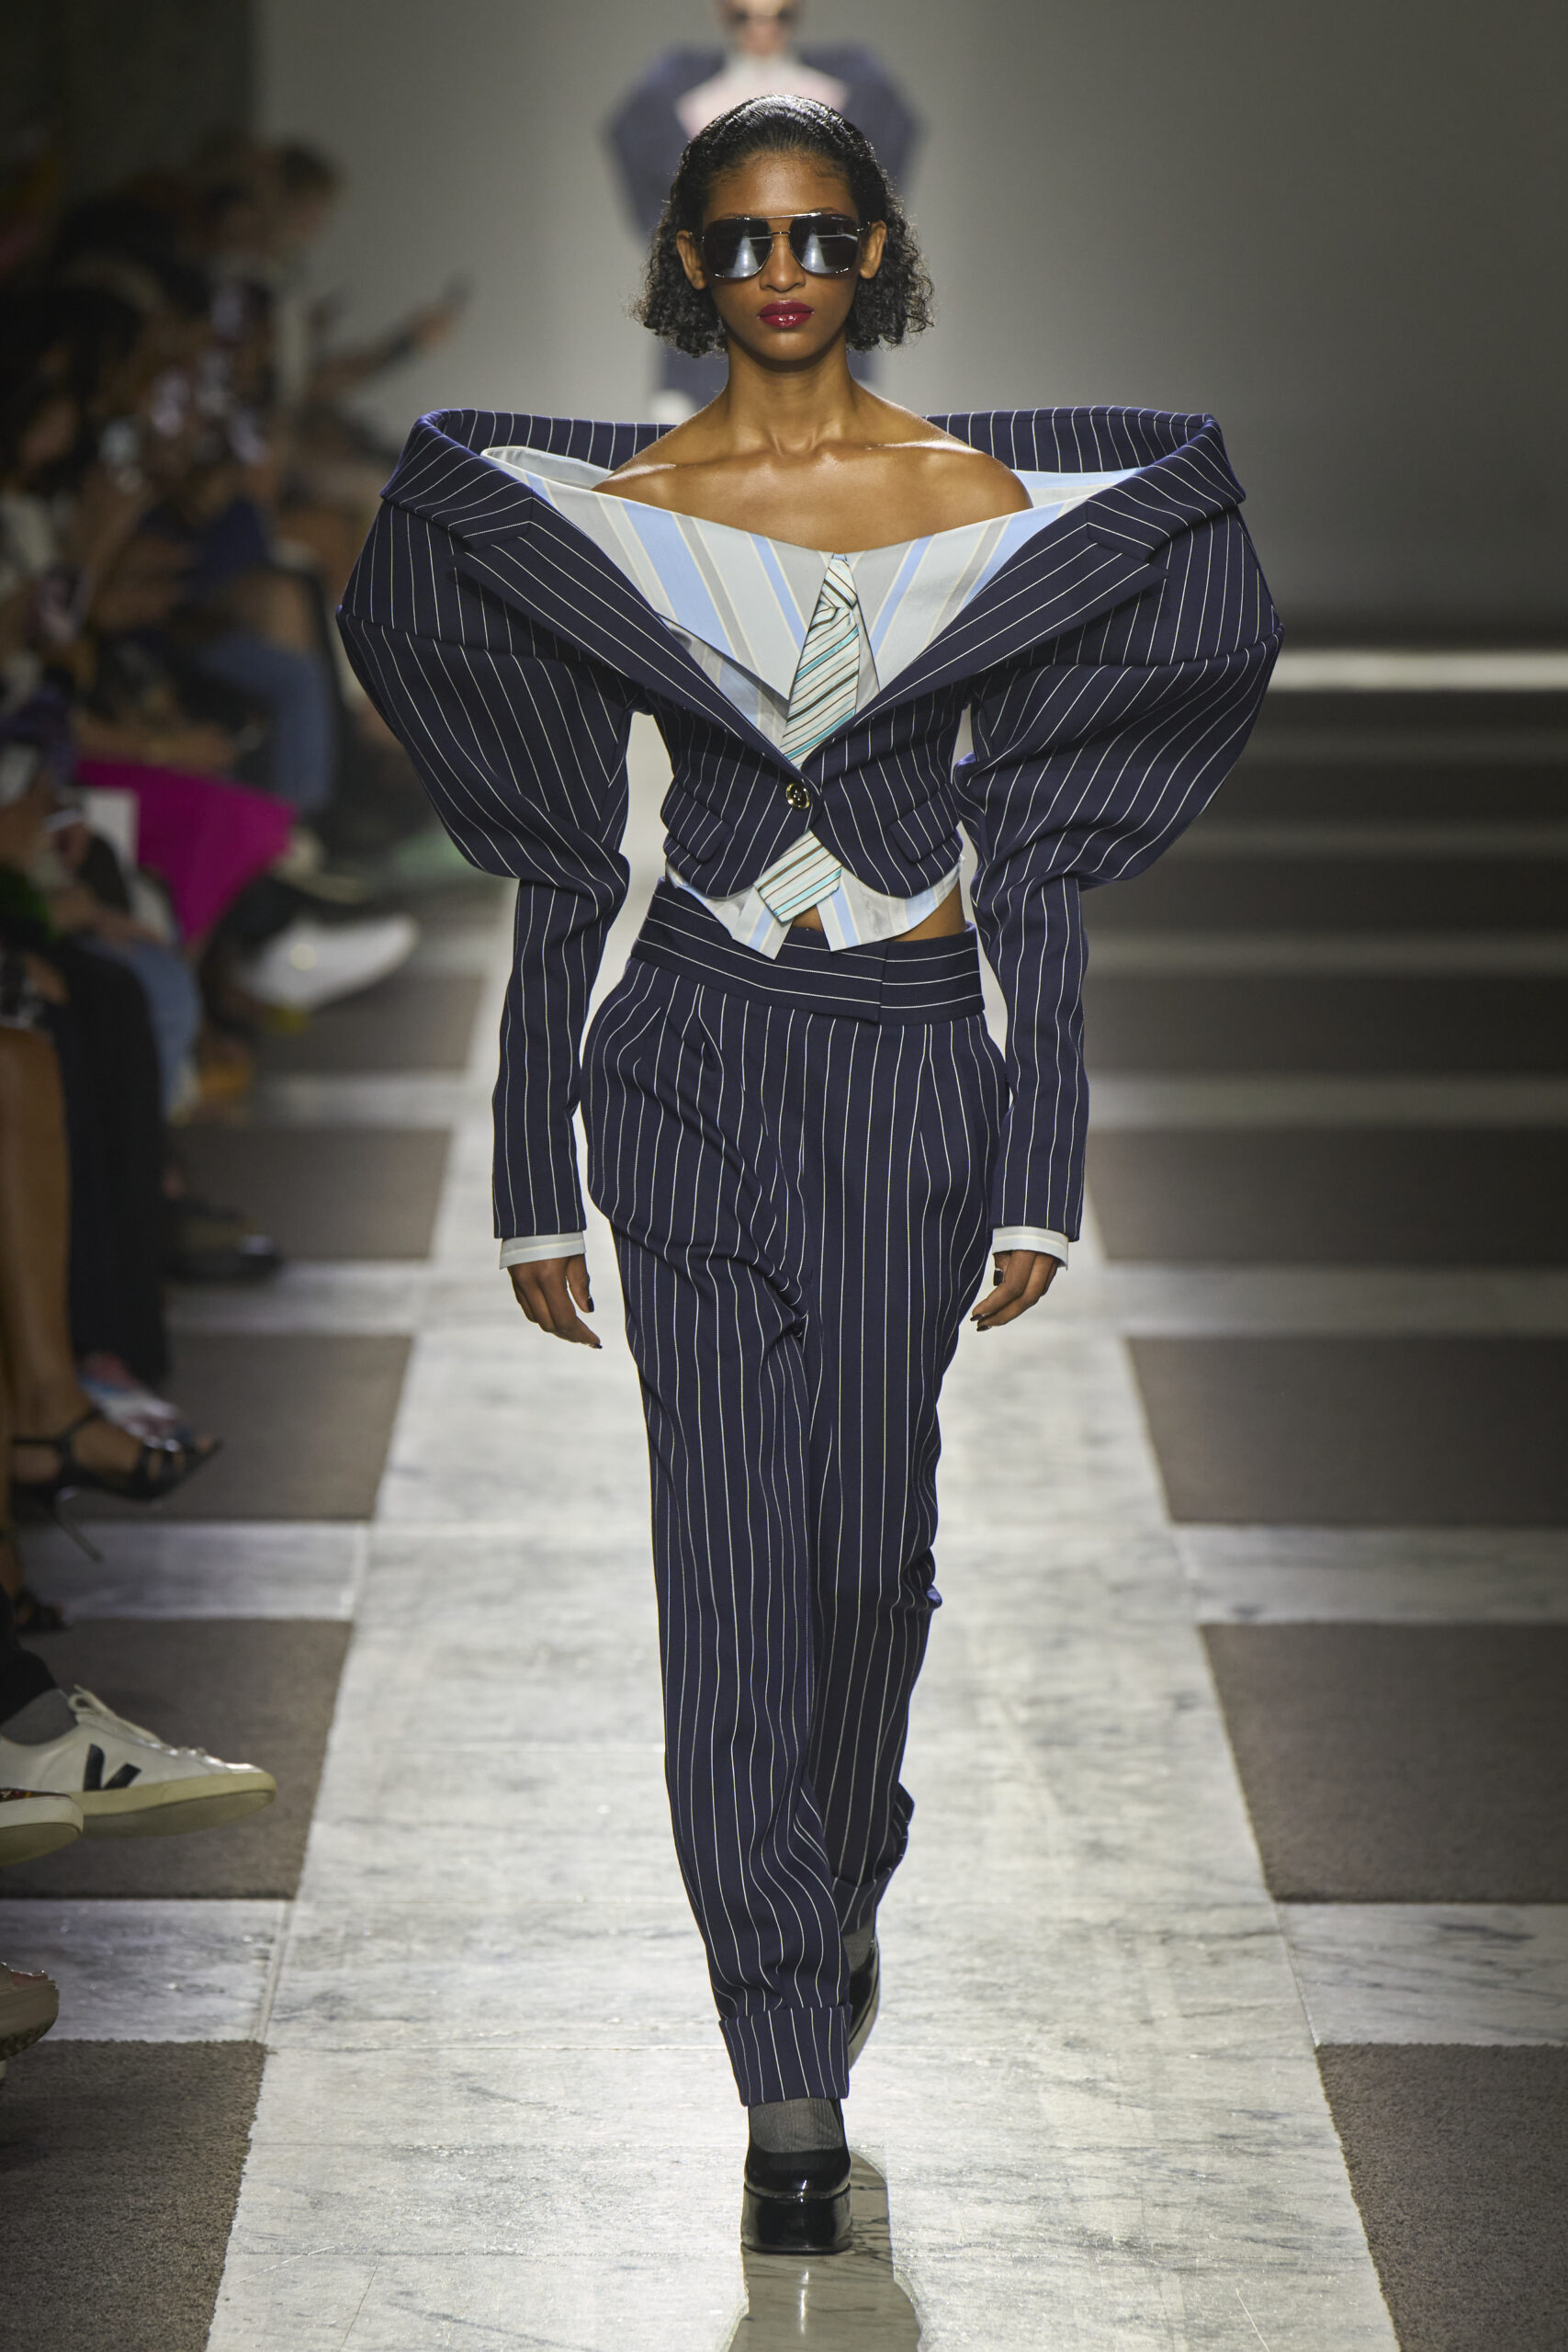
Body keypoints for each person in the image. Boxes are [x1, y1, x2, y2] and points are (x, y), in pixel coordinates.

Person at [339, 97, 1280, 2254]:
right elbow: (559, 855)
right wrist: (527, 1167)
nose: (781, 271)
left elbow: (1042, 855)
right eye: (743, 237)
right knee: (726, 1572)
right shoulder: (617, 518)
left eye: (820, 234)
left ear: (875, 254)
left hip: (905, 1069)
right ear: (683, 259)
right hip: (682, 1055)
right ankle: (783, 2061)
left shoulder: (982, 505)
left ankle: (831, 1873)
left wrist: (1039, 1153)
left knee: (864, 1556)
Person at [607, 1, 917, 416]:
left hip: (826, 317)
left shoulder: (857, 89)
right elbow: (651, 190)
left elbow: (877, 193)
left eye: (779, 17)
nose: (762, 30)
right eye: (744, 17)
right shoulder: (672, 95)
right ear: (721, 15)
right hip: (714, 314)